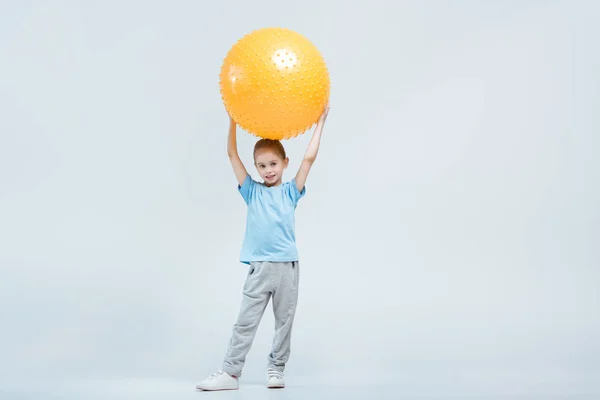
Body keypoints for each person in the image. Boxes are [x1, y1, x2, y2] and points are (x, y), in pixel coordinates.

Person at [196, 105, 330, 391]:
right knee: (245, 322)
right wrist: (233, 119)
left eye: (273, 164)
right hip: (259, 267)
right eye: (262, 165)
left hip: (286, 268)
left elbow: (308, 159)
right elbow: (232, 154)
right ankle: (230, 373)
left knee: (284, 322)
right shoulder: (251, 191)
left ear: (284, 163)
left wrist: (320, 122)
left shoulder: (291, 191)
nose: (268, 170)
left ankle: (276, 369)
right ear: (256, 168)